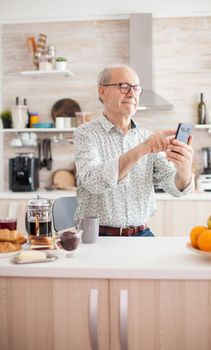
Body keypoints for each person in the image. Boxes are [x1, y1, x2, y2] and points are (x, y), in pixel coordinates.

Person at [73, 64, 194, 237]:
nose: (131, 94)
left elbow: (175, 188)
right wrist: (142, 149)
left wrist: (184, 169)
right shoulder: (85, 133)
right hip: (98, 236)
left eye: (136, 88)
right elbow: (93, 182)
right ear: (102, 92)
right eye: (123, 87)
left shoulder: (147, 137)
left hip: (142, 234)